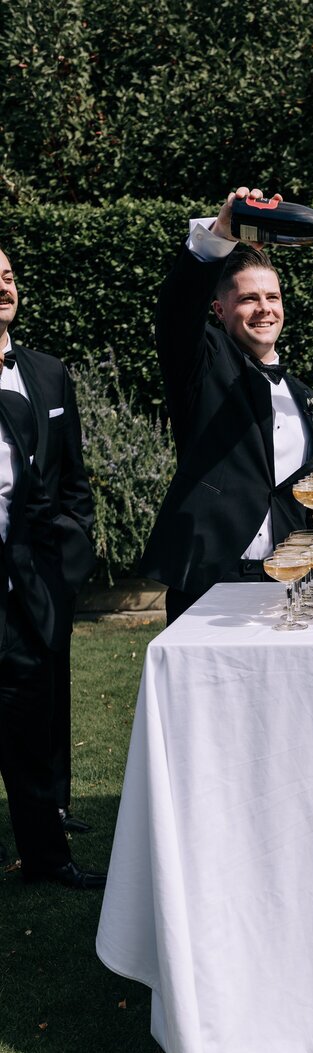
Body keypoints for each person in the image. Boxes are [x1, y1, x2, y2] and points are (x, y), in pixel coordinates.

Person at [139, 186, 313, 623]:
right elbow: (177, 309)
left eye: (273, 298)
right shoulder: (203, 363)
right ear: (220, 310)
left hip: (293, 581)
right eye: (248, 298)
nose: (265, 309)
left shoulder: (304, 395)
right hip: (211, 578)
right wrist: (220, 235)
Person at [0, 247, 96, 835]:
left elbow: (73, 474)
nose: (3, 287)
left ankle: (51, 812)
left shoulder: (48, 370)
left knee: (47, 690)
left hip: (40, 564)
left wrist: (73, 539)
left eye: (8, 277)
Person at [0, 388, 105, 888]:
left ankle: (47, 861)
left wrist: (57, 571)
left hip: (18, 603)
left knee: (28, 738)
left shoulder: (15, 408)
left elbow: (36, 499)